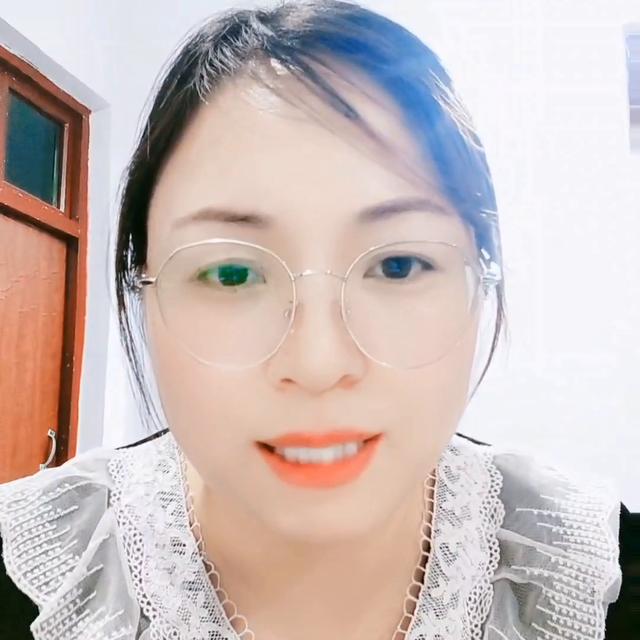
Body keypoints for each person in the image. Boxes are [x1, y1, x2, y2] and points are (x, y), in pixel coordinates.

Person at [0, 1, 637, 638]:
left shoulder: (593, 580)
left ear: (482, 275)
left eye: (397, 265)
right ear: (142, 287)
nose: (318, 362)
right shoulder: (33, 575)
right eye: (232, 273)